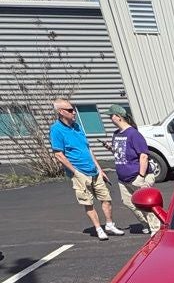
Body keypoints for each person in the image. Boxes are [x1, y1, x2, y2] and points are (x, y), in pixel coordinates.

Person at [49, 98, 124, 241]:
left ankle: (109, 224)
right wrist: (75, 172)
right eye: (70, 110)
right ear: (60, 112)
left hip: (93, 170)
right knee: (88, 202)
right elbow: (59, 154)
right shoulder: (56, 130)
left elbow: (87, 149)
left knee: (106, 198)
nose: (74, 112)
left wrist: (99, 168)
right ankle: (98, 228)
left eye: (74, 109)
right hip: (79, 172)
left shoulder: (77, 127)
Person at [108, 104, 159, 235]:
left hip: (137, 176)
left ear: (119, 117)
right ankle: (145, 223)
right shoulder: (116, 134)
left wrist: (141, 177)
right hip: (123, 178)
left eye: (111, 115)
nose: (110, 118)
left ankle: (156, 228)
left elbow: (143, 155)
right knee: (128, 202)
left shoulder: (134, 134)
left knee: (146, 203)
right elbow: (122, 152)